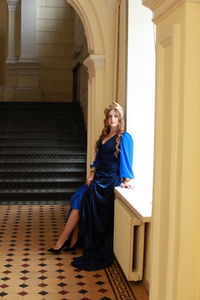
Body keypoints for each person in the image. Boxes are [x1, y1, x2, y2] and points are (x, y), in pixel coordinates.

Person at [48, 101, 134, 271]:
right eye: (110, 116)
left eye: (116, 116)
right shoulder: (104, 136)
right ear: (106, 119)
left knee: (81, 200)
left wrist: (126, 181)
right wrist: (92, 173)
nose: (112, 119)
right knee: (77, 198)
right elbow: (98, 159)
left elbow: (127, 160)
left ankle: (66, 241)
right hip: (98, 177)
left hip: (110, 180)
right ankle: (70, 240)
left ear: (120, 118)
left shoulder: (124, 137)